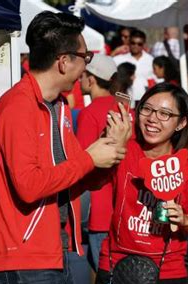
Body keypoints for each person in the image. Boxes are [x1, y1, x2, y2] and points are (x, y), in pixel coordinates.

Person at [0, 11, 131, 284]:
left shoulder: (58, 107)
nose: (86, 67)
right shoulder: (17, 107)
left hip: (53, 250)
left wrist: (112, 152)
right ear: (64, 61)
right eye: (85, 57)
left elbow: (75, 177)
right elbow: (30, 185)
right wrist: (91, 158)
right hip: (23, 254)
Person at [94, 83, 188, 284]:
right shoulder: (123, 150)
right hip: (116, 264)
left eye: (165, 114)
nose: (153, 119)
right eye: (147, 109)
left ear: (180, 123)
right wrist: (110, 140)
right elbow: (91, 177)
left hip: (168, 271)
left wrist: (183, 219)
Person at [77, 54, 134, 271]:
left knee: (106, 279)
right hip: (126, 206)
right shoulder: (127, 109)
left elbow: (83, 161)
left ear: (91, 79)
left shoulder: (89, 113)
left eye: (83, 75)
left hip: (100, 208)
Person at [113, 29, 155, 103]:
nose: (136, 46)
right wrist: (114, 52)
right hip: (125, 100)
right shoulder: (119, 59)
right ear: (129, 43)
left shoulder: (151, 60)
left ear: (144, 44)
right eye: (133, 43)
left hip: (145, 99)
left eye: (139, 44)